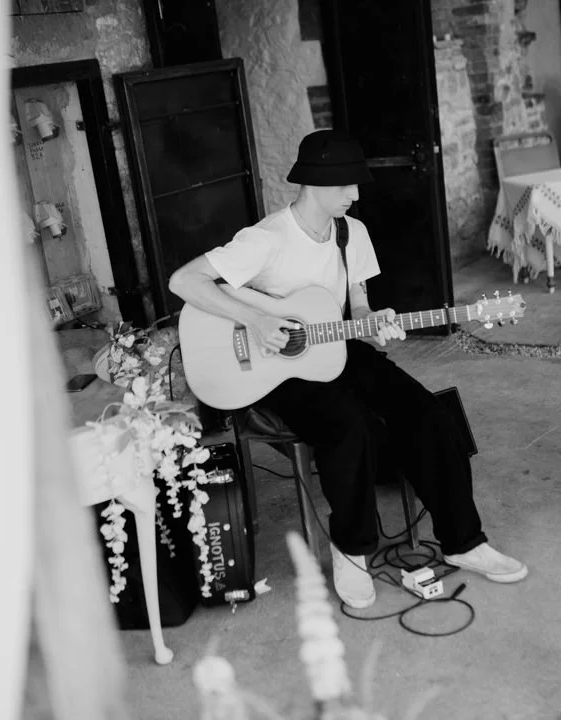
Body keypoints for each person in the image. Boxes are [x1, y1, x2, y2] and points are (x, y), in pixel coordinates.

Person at [168, 129, 527, 608]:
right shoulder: (266, 239)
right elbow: (183, 281)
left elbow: (357, 306)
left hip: (336, 346)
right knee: (348, 427)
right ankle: (352, 549)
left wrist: (370, 323)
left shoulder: (350, 232)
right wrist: (254, 318)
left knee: (424, 411)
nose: (355, 195)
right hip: (276, 369)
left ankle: (465, 541)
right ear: (315, 183)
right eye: (345, 186)